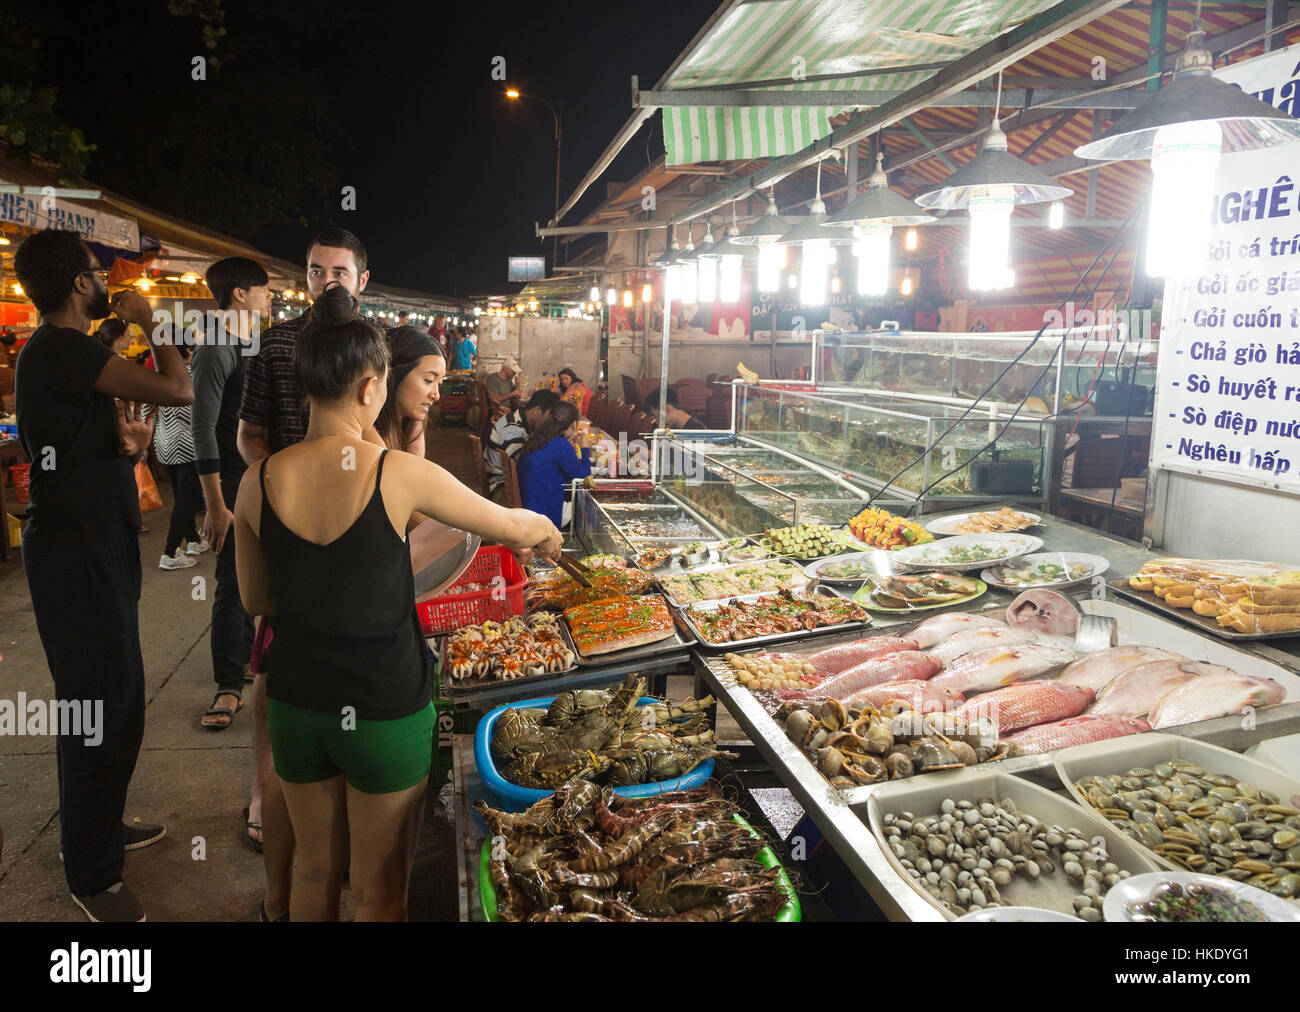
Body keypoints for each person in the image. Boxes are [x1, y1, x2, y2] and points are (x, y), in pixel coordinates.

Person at [233, 285, 560, 921]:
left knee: (314, 868)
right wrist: (545, 530)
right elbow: (511, 526)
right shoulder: (396, 472)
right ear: (368, 388)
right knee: (379, 887)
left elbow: (258, 599)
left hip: (297, 702)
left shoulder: (258, 480)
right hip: (383, 704)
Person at [13, 228, 193, 922]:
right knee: (100, 702)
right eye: (93, 273)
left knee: (108, 696)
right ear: (74, 284)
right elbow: (176, 387)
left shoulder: (62, 350)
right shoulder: (60, 348)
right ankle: (93, 874)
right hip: (76, 552)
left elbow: (106, 355)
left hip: (93, 542)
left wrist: (128, 452)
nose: (102, 282)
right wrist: (160, 322)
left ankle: (96, 828)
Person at [237, 226, 377, 919]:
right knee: (273, 668)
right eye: (319, 270)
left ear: (362, 279)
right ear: (307, 276)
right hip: (289, 529)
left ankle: (334, 833)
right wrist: (274, 492)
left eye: (341, 271)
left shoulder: (372, 344)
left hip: (362, 529)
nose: (331, 281)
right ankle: (269, 797)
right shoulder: (277, 344)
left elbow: (394, 437)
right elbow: (249, 432)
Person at [194, 256, 271, 735]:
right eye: (263, 290)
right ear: (239, 294)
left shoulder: (250, 343)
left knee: (254, 578)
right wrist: (214, 503)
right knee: (231, 580)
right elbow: (201, 426)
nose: (269, 298)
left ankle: (245, 661)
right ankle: (227, 683)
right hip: (227, 480)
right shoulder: (215, 347)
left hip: (256, 477)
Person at [144, 333, 206, 570]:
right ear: (187, 350)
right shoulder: (191, 376)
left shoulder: (156, 378)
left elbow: (146, 412)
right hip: (189, 445)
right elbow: (200, 412)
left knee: (182, 496)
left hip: (163, 445)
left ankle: (193, 540)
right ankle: (170, 552)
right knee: (185, 499)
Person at [517, 400, 592, 527]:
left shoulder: (538, 437)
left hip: (530, 507)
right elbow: (585, 480)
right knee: (590, 509)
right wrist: (585, 448)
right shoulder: (561, 445)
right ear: (574, 424)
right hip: (546, 516)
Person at [374, 326, 446, 459]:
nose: (436, 395)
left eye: (439, 384)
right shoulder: (369, 437)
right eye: (429, 380)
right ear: (392, 375)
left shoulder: (409, 426)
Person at [486, 388, 558, 500]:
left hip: (512, 480)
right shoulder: (511, 427)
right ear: (537, 411)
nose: (549, 422)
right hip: (501, 487)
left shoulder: (523, 421)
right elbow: (524, 463)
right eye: (548, 417)